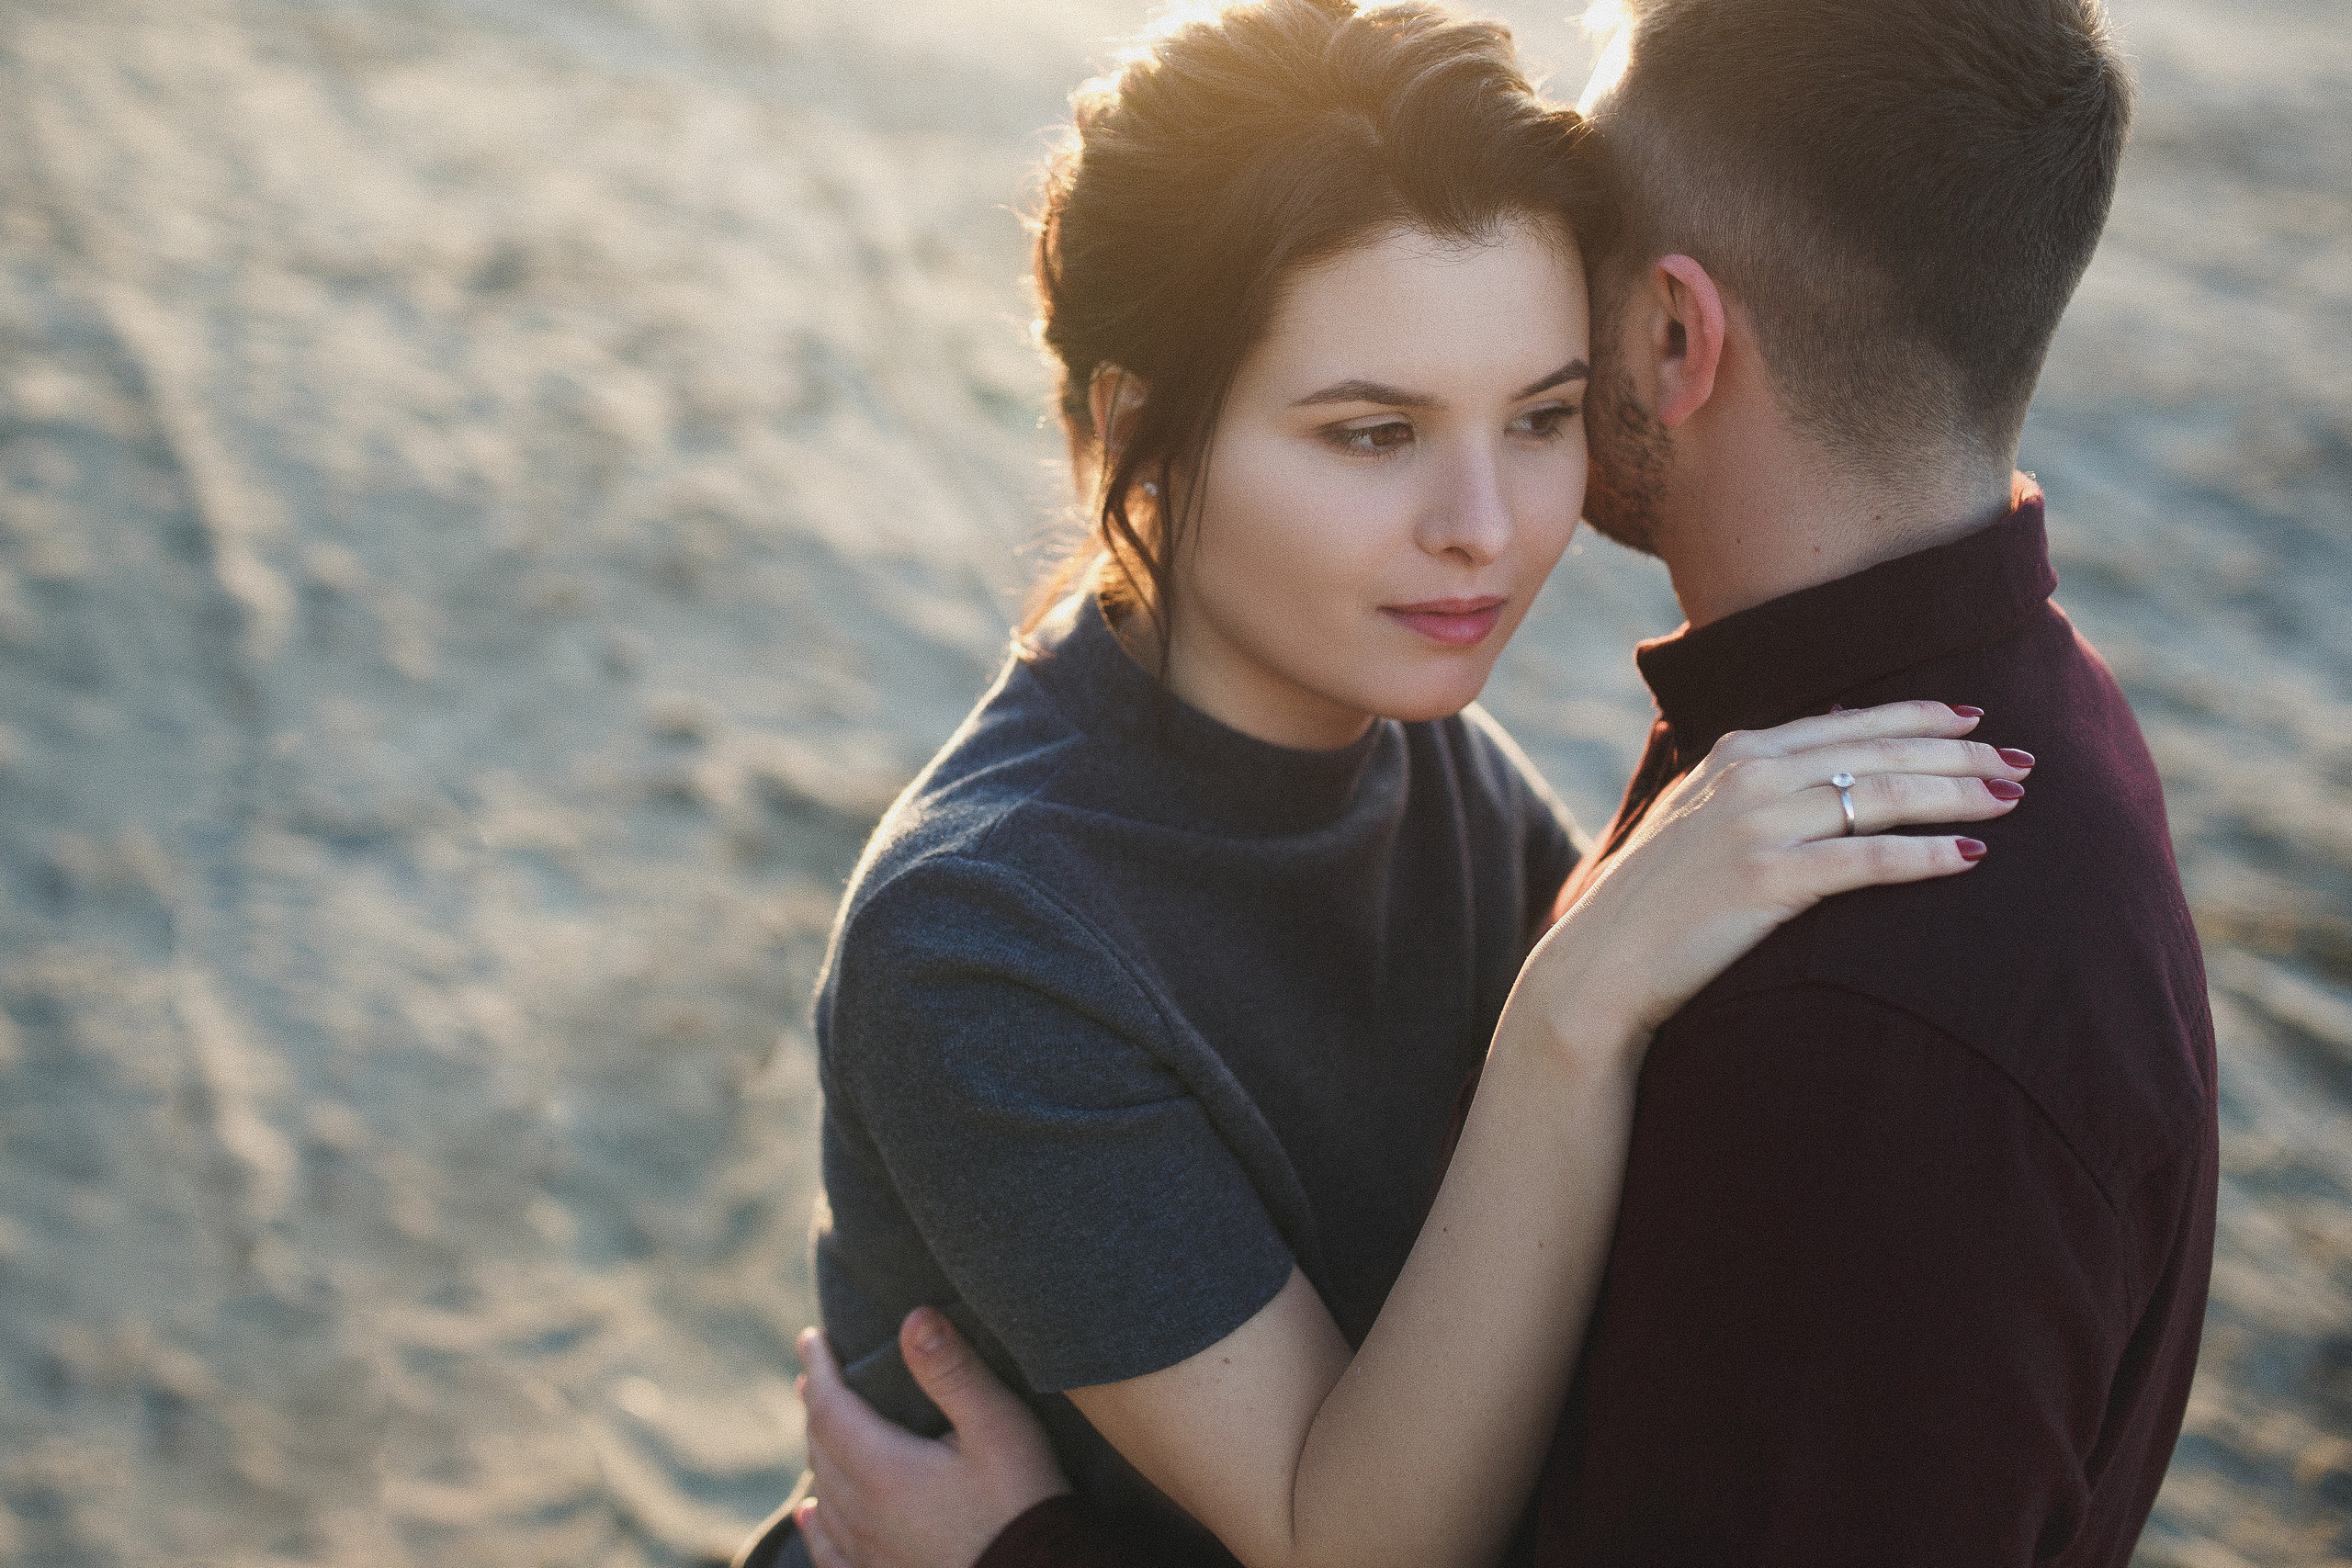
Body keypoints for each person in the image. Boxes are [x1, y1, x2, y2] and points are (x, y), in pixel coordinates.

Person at [781, 0, 2221, 1566]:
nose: (1483, 525)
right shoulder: (980, 938)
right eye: (1373, 433)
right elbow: (1353, 1542)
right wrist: (1562, 1022)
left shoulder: (1442, 773)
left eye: (1541, 415)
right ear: (1143, 432)